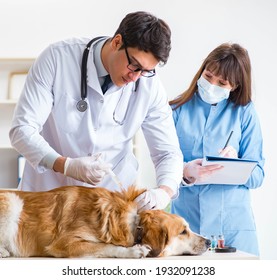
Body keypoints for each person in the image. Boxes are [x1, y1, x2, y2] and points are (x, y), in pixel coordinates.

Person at [9, 11, 183, 212]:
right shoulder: (58, 58)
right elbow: (22, 130)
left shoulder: (150, 85)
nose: (135, 77)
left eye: (145, 71)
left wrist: (164, 191)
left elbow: (168, 152)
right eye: (134, 65)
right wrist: (65, 165)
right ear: (117, 42)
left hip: (110, 204)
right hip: (50, 194)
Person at [169, 43, 265, 256]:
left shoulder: (245, 113)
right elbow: (163, 166)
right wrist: (184, 172)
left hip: (233, 229)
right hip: (187, 228)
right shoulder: (176, 109)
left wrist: (238, 164)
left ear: (235, 86)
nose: (212, 84)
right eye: (208, 75)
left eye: (222, 82)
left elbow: (258, 176)